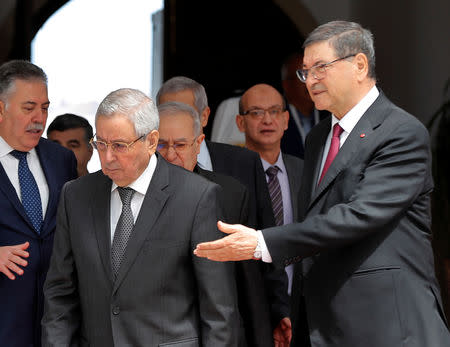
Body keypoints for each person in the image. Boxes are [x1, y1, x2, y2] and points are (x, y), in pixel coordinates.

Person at [194, 20, 450, 347]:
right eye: (305, 71)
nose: (310, 81)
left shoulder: (400, 133)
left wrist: (261, 242)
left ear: (359, 65)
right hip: (321, 325)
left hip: (386, 325)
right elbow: (313, 223)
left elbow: (358, 216)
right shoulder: (318, 137)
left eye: (320, 68)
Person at [42, 88, 239, 346]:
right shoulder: (76, 196)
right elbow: (60, 294)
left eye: (119, 146)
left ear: (151, 141)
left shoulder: (197, 197)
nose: (108, 157)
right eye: (100, 144)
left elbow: (218, 310)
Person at [156, 78, 291, 345]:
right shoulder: (135, 191)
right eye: (163, 143)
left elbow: (256, 260)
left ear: (203, 119)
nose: (171, 153)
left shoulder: (238, 174)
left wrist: (274, 317)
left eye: (181, 144)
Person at [0, 60, 77, 347]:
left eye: (44, 108)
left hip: (53, 328)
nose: (39, 118)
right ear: (0, 109)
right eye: (28, 107)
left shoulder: (61, 159)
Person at [236, 83, 304, 295]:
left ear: (286, 120)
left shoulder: (305, 171)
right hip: (248, 298)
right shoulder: (227, 175)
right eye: (256, 112)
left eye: (274, 111)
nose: (267, 120)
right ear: (240, 122)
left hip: (299, 297)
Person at [280, 52, 328, 159]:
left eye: (314, 74)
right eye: (303, 75)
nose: (312, 81)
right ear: (287, 85)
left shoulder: (331, 115)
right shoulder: (276, 121)